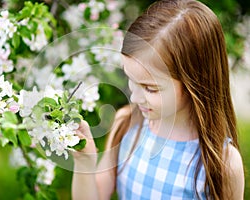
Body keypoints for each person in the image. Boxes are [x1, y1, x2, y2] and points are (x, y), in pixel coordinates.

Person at [72, 0, 245, 199]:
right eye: (131, 79)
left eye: (150, 88)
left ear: (195, 82)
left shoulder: (222, 163)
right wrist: (85, 163)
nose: (135, 98)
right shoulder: (126, 124)